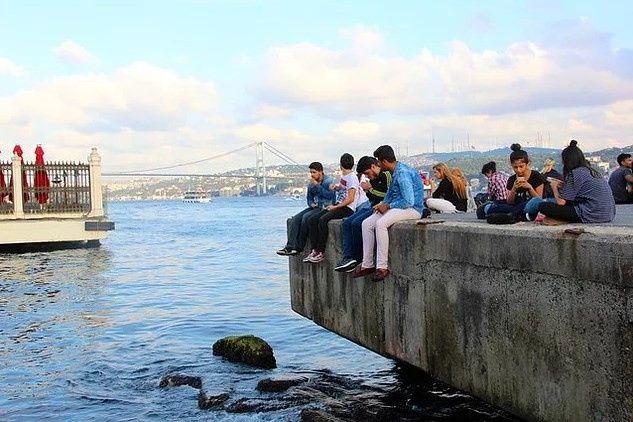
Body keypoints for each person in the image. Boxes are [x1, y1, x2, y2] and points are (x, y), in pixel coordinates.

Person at [352, 145, 424, 282]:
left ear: (384, 161)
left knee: (381, 223)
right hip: (398, 206)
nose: (378, 164)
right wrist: (382, 204)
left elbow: (409, 201)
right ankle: (367, 264)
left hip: (413, 209)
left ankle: (382, 267)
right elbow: (391, 194)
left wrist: (388, 206)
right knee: (366, 223)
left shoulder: (402, 174)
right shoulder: (395, 171)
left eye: (379, 161)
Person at [334, 156, 392, 272]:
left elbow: (387, 195)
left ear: (373, 167)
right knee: (347, 223)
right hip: (371, 205)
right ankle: (348, 256)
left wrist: (369, 190)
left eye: (367, 173)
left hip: (378, 207)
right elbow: (372, 196)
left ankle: (358, 257)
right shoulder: (373, 178)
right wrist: (369, 190)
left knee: (356, 224)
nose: (366, 176)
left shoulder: (386, 176)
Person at [538, 140, 615, 224]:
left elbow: (561, 202)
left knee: (543, 206)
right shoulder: (591, 171)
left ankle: (560, 220)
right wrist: (564, 186)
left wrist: (554, 186)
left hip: (591, 214)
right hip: (607, 214)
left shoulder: (574, 174)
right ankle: (558, 220)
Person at [303, 153, 360, 264]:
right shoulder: (345, 177)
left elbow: (351, 199)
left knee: (323, 220)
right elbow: (344, 190)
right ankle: (314, 250)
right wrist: (337, 188)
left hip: (347, 208)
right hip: (339, 205)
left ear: (340, 165)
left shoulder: (352, 178)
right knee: (312, 220)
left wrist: (335, 206)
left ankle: (320, 252)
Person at [276, 162, 335, 256]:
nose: (312, 174)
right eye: (311, 172)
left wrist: (317, 186)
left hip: (325, 206)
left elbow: (330, 195)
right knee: (296, 218)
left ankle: (299, 247)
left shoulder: (329, 181)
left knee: (306, 218)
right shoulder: (311, 183)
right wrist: (311, 204)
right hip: (315, 207)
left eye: (314, 172)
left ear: (320, 172)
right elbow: (309, 198)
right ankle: (289, 247)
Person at [506, 143, 545, 219]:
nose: (518, 170)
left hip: (529, 206)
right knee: (488, 208)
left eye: (521, 166)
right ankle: (520, 215)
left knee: (536, 202)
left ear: (527, 164)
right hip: (516, 207)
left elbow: (539, 200)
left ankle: (521, 215)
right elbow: (509, 202)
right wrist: (514, 189)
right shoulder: (511, 179)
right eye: (515, 167)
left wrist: (530, 188)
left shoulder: (536, 176)